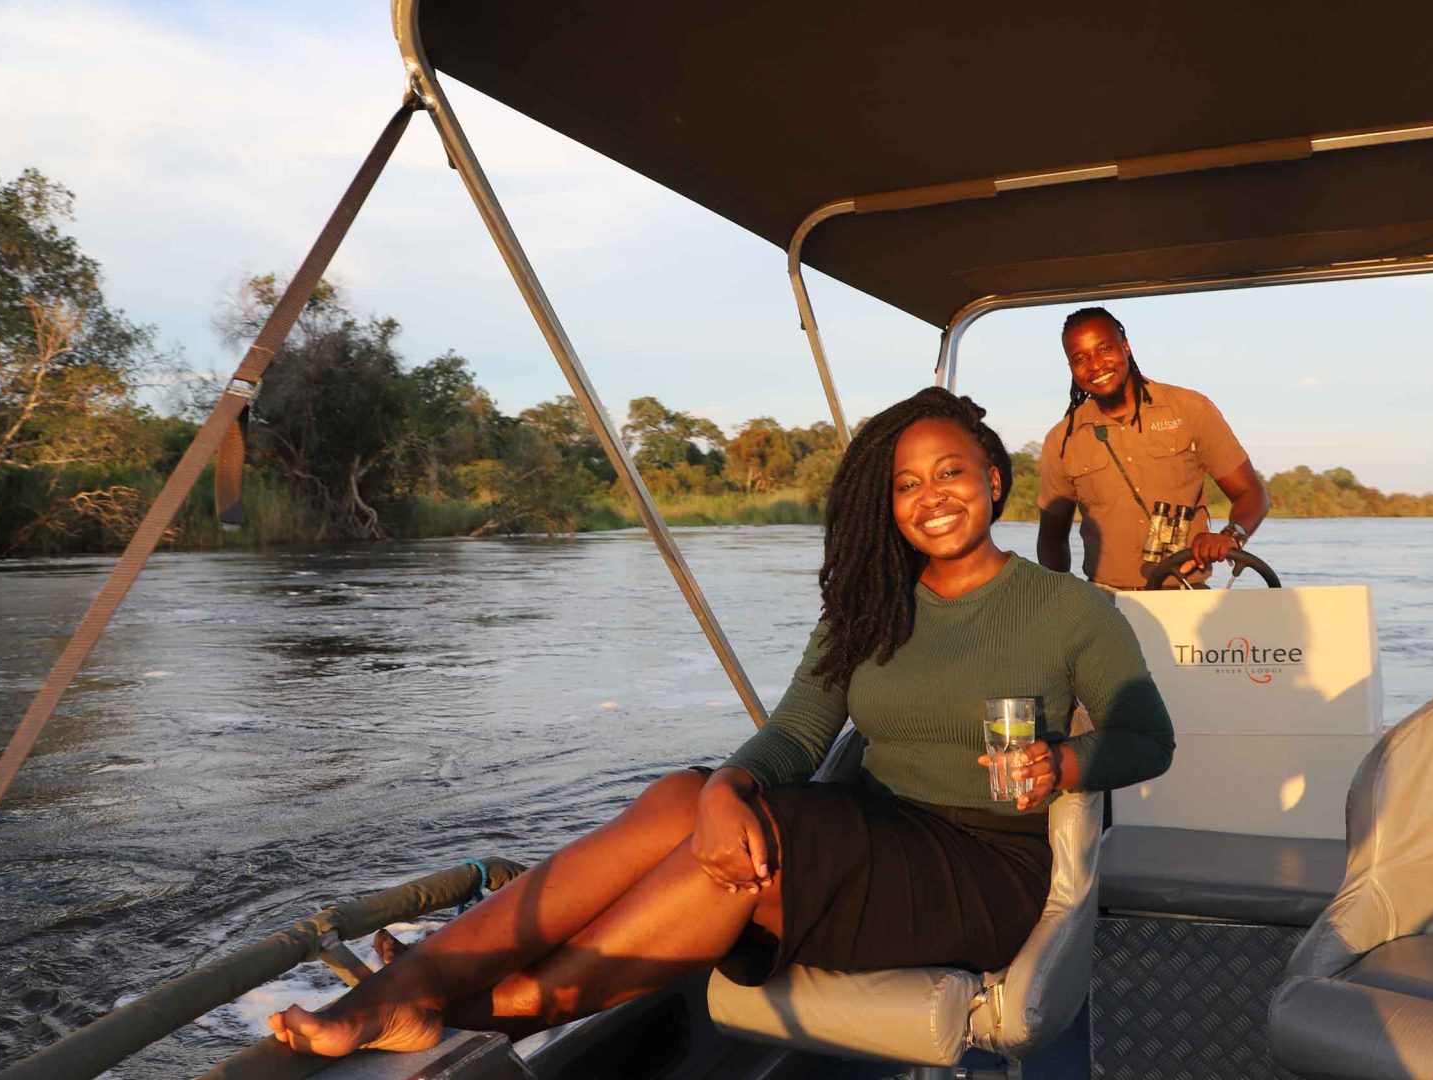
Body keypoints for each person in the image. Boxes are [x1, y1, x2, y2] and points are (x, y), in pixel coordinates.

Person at [266, 387, 1175, 1056]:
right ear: (886, 506)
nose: (932, 496)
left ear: (994, 480)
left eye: (951, 474)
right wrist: (729, 787)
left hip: (984, 868)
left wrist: (1062, 762)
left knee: (761, 845)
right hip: (882, 831)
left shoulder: (1070, 610)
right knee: (683, 798)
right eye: (906, 485)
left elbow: (1148, 740)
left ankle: (485, 1004)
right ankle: (414, 988)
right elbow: (797, 734)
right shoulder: (866, 606)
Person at [1037, 307, 1270, 590]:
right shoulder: (1062, 439)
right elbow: (1052, 540)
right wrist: (1058, 599)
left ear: (1125, 347)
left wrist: (1230, 536)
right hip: (1106, 603)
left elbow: (1251, 494)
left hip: (1185, 595)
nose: (1096, 365)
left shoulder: (1190, 409)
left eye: (1105, 349)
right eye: (1080, 358)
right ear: (1071, 368)